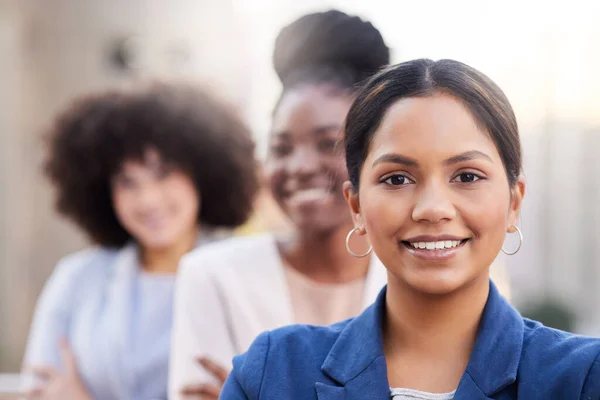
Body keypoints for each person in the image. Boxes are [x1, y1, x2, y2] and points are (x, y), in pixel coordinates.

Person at [220, 59, 600, 399]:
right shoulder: (272, 373)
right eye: (397, 179)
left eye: (467, 176)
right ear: (356, 207)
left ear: (514, 202)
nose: (432, 208)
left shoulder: (583, 378)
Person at [168, 10, 390, 400]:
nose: (300, 167)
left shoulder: (418, 272)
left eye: (327, 144)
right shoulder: (213, 276)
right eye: (282, 148)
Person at [22, 83, 259, 400]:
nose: (147, 199)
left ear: (202, 175)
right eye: (128, 182)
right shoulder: (76, 279)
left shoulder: (245, 274)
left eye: (163, 174)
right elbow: (37, 391)